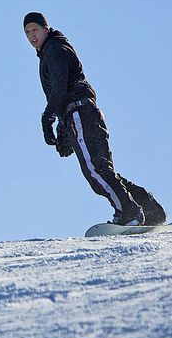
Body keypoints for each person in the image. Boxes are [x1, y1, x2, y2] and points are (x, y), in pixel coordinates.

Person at [23, 12, 166, 226]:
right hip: (83, 112)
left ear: (45, 28)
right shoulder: (53, 50)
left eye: (35, 29)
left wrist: (48, 118)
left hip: (79, 111)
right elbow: (65, 89)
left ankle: (129, 212)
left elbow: (61, 89)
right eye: (27, 32)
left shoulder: (54, 50)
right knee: (101, 169)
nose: (31, 36)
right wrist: (64, 131)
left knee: (95, 170)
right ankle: (150, 209)